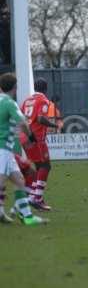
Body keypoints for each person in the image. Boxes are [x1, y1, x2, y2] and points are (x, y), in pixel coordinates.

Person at [0, 73, 47, 225]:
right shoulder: (9, 103)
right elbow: (23, 123)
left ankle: (27, 217)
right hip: (3, 149)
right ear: (15, 87)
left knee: (22, 179)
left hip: (6, 151)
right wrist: (31, 138)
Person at [20, 78, 59, 211]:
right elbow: (41, 118)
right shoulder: (43, 101)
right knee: (46, 166)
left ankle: (34, 196)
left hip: (25, 137)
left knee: (38, 166)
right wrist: (54, 125)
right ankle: (37, 197)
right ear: (45, 89)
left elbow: (22, 118)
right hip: (36, 138)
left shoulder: (27, 101)